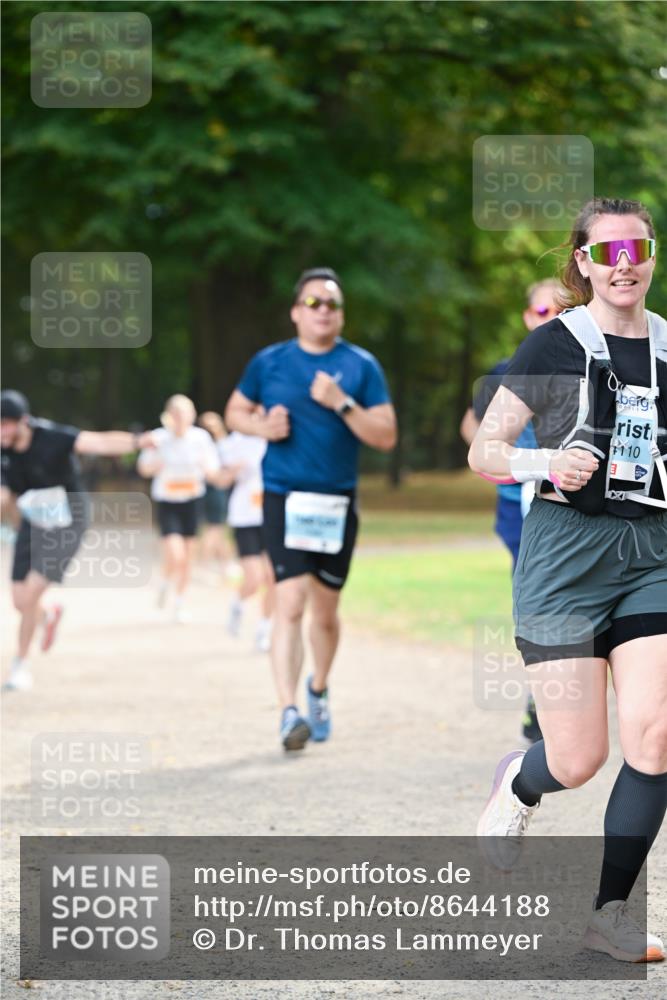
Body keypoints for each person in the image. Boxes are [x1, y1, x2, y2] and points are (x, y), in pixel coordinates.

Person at [470, 198, 667, 962]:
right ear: (583, 264)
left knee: (653, 735)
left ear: (650, 256)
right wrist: (541, 462)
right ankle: (519, 785)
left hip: (650, 552)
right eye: (607, 251)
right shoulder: (552, 344)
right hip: (562, 559)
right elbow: (485, 450)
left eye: (637, 248)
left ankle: (609, 914)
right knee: (576, 759)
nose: (624, 263)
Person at [225, 267, 397, 750]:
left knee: (324, 612)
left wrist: (342, 402)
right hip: (284, 497)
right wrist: (261, 428)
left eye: (333, 304)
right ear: (296, 312)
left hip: (336, 502)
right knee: (290, 602)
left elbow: (385, 436)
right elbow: (235, 411)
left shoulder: (361, 366)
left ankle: (317, 687)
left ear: (341, 315)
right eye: (314, 303)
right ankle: (288, 712)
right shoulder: (269, 362)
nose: (324, 310)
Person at [460, 279, 563, 745]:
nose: (551, 319)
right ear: (527, 317)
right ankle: (539, 696)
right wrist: (502, 456)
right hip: (516, 509)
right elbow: (471, 425)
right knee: (537, 600)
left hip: (578, 507)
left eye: (562, 310)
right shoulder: (507, 370)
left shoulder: (591, 370)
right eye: (543, 311)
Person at [0, 389, 156, 691]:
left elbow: (96, 441)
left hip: (68, 519)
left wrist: (137, 441)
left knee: (31, 592)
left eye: (5, 424)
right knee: (21, 601)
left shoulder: (50, 437)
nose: (1, 431)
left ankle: (20, 664)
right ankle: (49, 613)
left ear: (23, 422)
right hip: (34, 518)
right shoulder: (3, 451)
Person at [137, 394, 231, 623]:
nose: (180, 419)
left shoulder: (200, 439)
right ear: (168, 416)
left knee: (187, 557)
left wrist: (213, 472)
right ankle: (166, 581)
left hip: (192, 501)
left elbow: (213, 470)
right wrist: (153, 466)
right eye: (176, 414)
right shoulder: (158, 438)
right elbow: (143, 468)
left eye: (185, 414)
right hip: (168, 502)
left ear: (192, 416)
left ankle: (179, 602)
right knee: (175, 554)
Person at [219, 423, 275, 653]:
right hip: (245, 517)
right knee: (253, 579)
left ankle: (264, 629)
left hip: (273, 515)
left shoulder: (279, 436)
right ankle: (238, 604)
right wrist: (235, 468)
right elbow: (221, 479)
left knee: (273, 578)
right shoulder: (236, 441)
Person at [197, 411, 232, 574]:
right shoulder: (218, 446)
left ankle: (225, 564)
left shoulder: (218, 444)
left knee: (218, 529)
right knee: (215, 528)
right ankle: (204, 563)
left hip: (215, 489)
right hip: (215, 490)